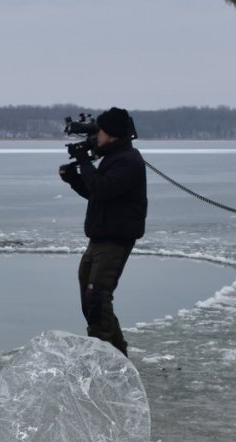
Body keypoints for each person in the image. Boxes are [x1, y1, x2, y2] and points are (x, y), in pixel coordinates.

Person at [58, 107, 147, 356]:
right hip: (99, 237)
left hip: (115, 240)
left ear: (112, 133)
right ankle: (117, 355)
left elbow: (104, 189)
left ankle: (104, 357)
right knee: (91, 299)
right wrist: (74, 179)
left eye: (101, 131)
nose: (96, 136)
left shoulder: (128, 161)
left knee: (97, 297)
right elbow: (97, 193)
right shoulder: (113, 158)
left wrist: (85, 162)